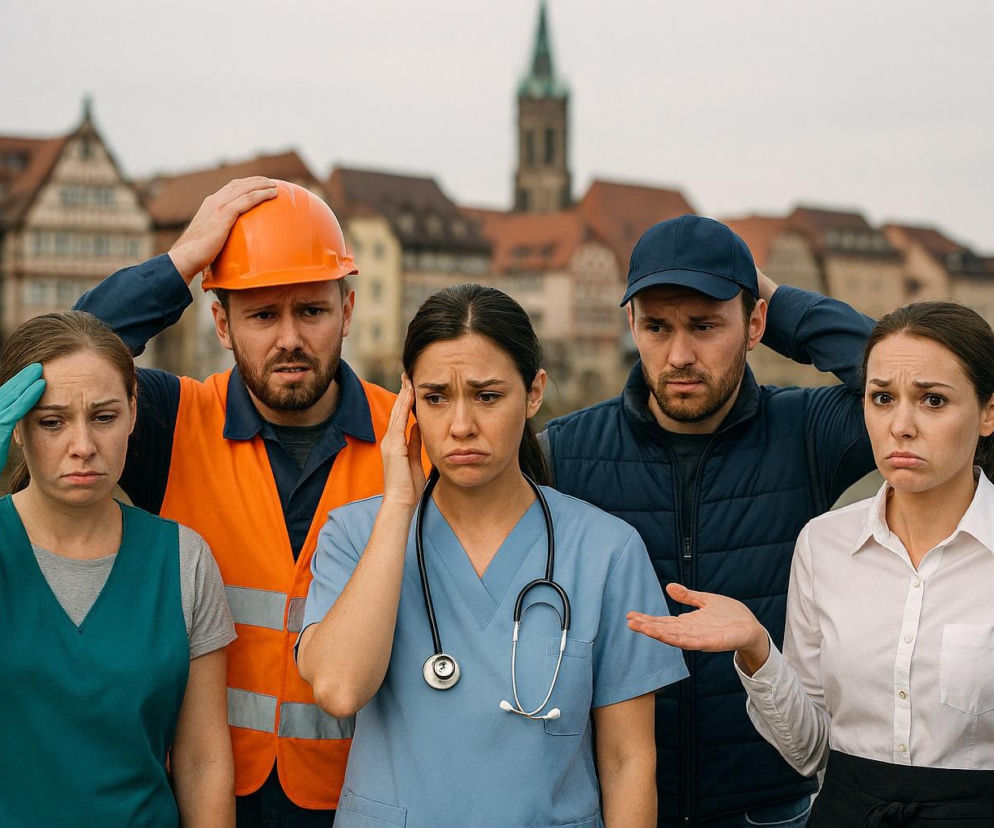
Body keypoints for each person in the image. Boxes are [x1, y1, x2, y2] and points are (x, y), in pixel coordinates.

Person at [297, 284, 689, 827]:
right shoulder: (354, 534)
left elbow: (627, 760)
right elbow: (339, 689)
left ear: (534, 394)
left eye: (487, 396)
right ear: (407, 399)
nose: (461, 425)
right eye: (436, 397)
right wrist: (398, 508)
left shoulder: (606, 552)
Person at [74, 178, 399, 825]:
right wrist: (180, 262)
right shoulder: (173, 421)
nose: (288, 339)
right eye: (260, 314)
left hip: (363, 798)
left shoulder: (407, 439)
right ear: (220, 321)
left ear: (349, 310)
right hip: (205, 795)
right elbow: (69, 351)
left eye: (311, 310)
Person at [540, 214, 877, 826]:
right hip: (619, 804)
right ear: (631, 326)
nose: (679, 355)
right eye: (657, 327)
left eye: (704, 326)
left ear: (753, 327)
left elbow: (901, 374)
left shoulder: (804, 433)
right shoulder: (565, 451)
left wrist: (772, 294)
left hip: (771, 805)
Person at [629, 300, 994, 825]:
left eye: (933, 400)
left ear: (987, 412)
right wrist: (757, 649)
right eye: (882, 398)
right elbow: (810, 752)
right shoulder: (824, 546)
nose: (902, 426)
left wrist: (771, 296)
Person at [0, 311, 235, 827]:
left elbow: (202, 760)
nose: (82, 446)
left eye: (104, 417)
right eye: (52, 421)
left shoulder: (183, 558)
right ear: (17, 427)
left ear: (133, 412)